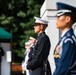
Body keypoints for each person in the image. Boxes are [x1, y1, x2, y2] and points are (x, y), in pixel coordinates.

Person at [53, 2, 76, 75]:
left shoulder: (68, 40)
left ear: (67, 19)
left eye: (59, 16)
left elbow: (64, 67)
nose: (56, 20)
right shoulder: (64, 38)